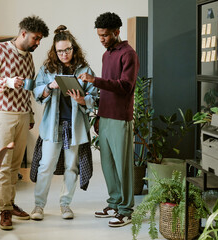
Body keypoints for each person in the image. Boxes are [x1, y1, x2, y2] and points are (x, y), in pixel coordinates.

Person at [0, 15, 49, 230]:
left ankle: (8, 203)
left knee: (15, 166)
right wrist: (8, 82)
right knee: (3, 164)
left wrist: (31, 116)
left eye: (40, 40)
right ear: (24, 33)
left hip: (22, 115)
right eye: (36, 38)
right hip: (1, 114)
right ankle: (4, 211)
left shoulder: (28, 56)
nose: (38, 43)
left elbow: (28, 89)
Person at [30, 25, 98, 221]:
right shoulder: (47, 69)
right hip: (53, 125)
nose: (64, 54)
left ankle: (65, 205)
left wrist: (82, 100)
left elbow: (95, 97)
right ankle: (38, 206)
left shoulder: (85, 70)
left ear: (73, 48)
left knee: (71, 166)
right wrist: (49, 87)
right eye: (60, 51)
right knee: (46, 165)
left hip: (74, 126)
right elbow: (36, 92)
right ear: (55, 51)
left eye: (67, 49)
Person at [79, 12, 139, 227]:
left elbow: (125, 87)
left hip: (120, 119)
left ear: (116, 32)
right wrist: (98, 117)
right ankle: (114, 202)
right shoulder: (107, 55)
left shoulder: (128, 54)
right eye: (99, 36)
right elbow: (105, 92)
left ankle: (126, 210)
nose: (102, 39)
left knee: (123, 166)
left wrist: (95, 80)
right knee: (108, 165)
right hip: (105, 118)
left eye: (105, 35)